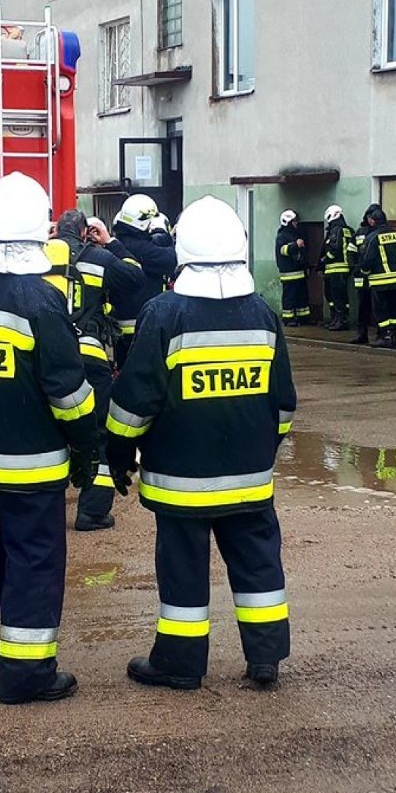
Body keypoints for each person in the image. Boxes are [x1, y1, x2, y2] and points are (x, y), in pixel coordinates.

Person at [106, 196, 297, 691]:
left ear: (182, 251)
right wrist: (261, 453)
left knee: (183, 571)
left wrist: (119, 453)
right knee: (258, 565)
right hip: (250, 480)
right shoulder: (264, 314)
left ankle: (180, 663)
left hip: (180, 481)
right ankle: (266, 659)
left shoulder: (164, 314)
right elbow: (284, 404)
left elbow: (135, 401)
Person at [0, 172, 99, 704]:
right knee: (33, 561)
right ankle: (26, 675)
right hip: (31, 464)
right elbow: (68, 390)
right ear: (38, 235)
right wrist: (88, 445)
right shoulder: (38, 297)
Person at [53, 208, 144, 531]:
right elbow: (134, 278)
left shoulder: (36, 255)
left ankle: (45, 509)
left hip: (44, 357)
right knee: (100, 433)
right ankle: (92, 512)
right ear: (84, 233)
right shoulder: (98, 258)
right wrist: (111, 242)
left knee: (47, 429)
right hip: (88, 356)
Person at [109, 193, 177, 369]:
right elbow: (171, 259)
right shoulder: (143, 250)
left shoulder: (120, 243)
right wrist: (163, 232)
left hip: (120, 329)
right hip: (142, 327)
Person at [359, 208, 396, 348]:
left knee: (381, 310)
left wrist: (364, 271)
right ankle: (394, 337)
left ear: (372, 221)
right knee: (395, 310)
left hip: (379, 281)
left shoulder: (372, 237)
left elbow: (367, 260)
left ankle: (385, 336)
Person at [348, 203, 382, 345]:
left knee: (379, 308)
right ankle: (362, 334)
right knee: (362, 308)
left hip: (377, 278)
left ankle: (381, 335)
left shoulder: (381, 233)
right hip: (361, 279)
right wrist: (355, 267)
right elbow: (351, 250)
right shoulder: (360, 232)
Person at [318, 204, 353, 331]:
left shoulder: (336, 230)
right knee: (340, 296)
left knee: (336, 296)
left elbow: (334, 249)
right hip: (343, 269)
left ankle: (339, 320)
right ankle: (338, 319)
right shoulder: (347, 229)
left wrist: (324, 260)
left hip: (336, 268)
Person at [274, 209, 311, 326]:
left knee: (302, 296)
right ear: (288, 222)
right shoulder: (282, 236)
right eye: (294, 221)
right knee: (289, 297)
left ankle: (303, 318)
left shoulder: (295, 234)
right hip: (289, 274)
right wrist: (296, 245)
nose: (296, 223)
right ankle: (288, 319)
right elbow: (283, 250)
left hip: (299, 272)